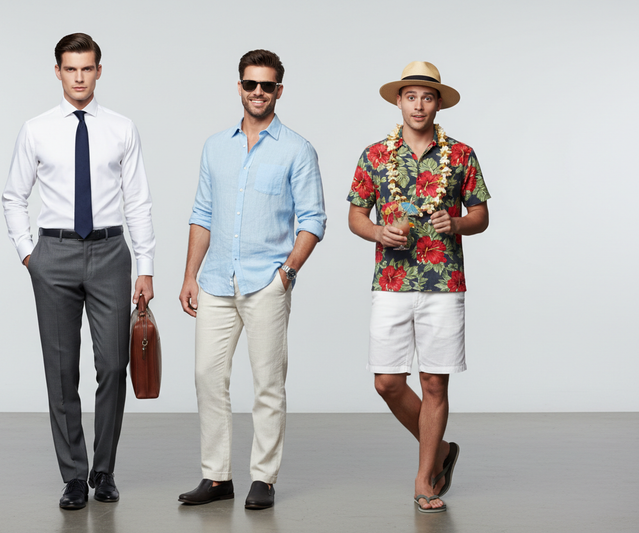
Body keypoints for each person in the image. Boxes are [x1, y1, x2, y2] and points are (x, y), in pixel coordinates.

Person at [1, 33, 156, 510]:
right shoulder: (36, 129)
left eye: (87, 68)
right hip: (56, 255)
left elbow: (138, 200)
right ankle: (73, 476)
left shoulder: (121, 128)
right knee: (61, 371)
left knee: (113, 365)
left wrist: (145, 266)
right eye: (71, 69)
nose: (79, 77)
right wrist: (31, 255)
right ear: (58, 72)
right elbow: (13, 196)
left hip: (111, 254)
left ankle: (103, 470)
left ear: (99, 71)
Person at [177, 49, 326, 510]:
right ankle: (217, 477)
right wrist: (190, 276)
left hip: (266, 282)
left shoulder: (297, 149)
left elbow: (314, 219)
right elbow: (202, 214)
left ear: (279, 90)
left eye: (267, 85)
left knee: (267, 383)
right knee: (207, 376)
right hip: (217, 280)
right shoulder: (214, 146)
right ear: (239, 87)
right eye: (250, 84)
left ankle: (264, 477)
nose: (257, 92)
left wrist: (287, 272)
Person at [347, 61, 490, 513]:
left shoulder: (462, 154)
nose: (419, 105)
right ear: (399, 101)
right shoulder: (374, 155)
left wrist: (458, 222)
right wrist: (377, 233)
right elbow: (355, 215)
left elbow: (481, 216)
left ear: (438, 104)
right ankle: (443, 449)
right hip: (391, 280)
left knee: (433, 383)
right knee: (388, 381)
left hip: (444, 281)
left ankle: (426, 477)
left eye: (427, 97)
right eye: (411, 96)